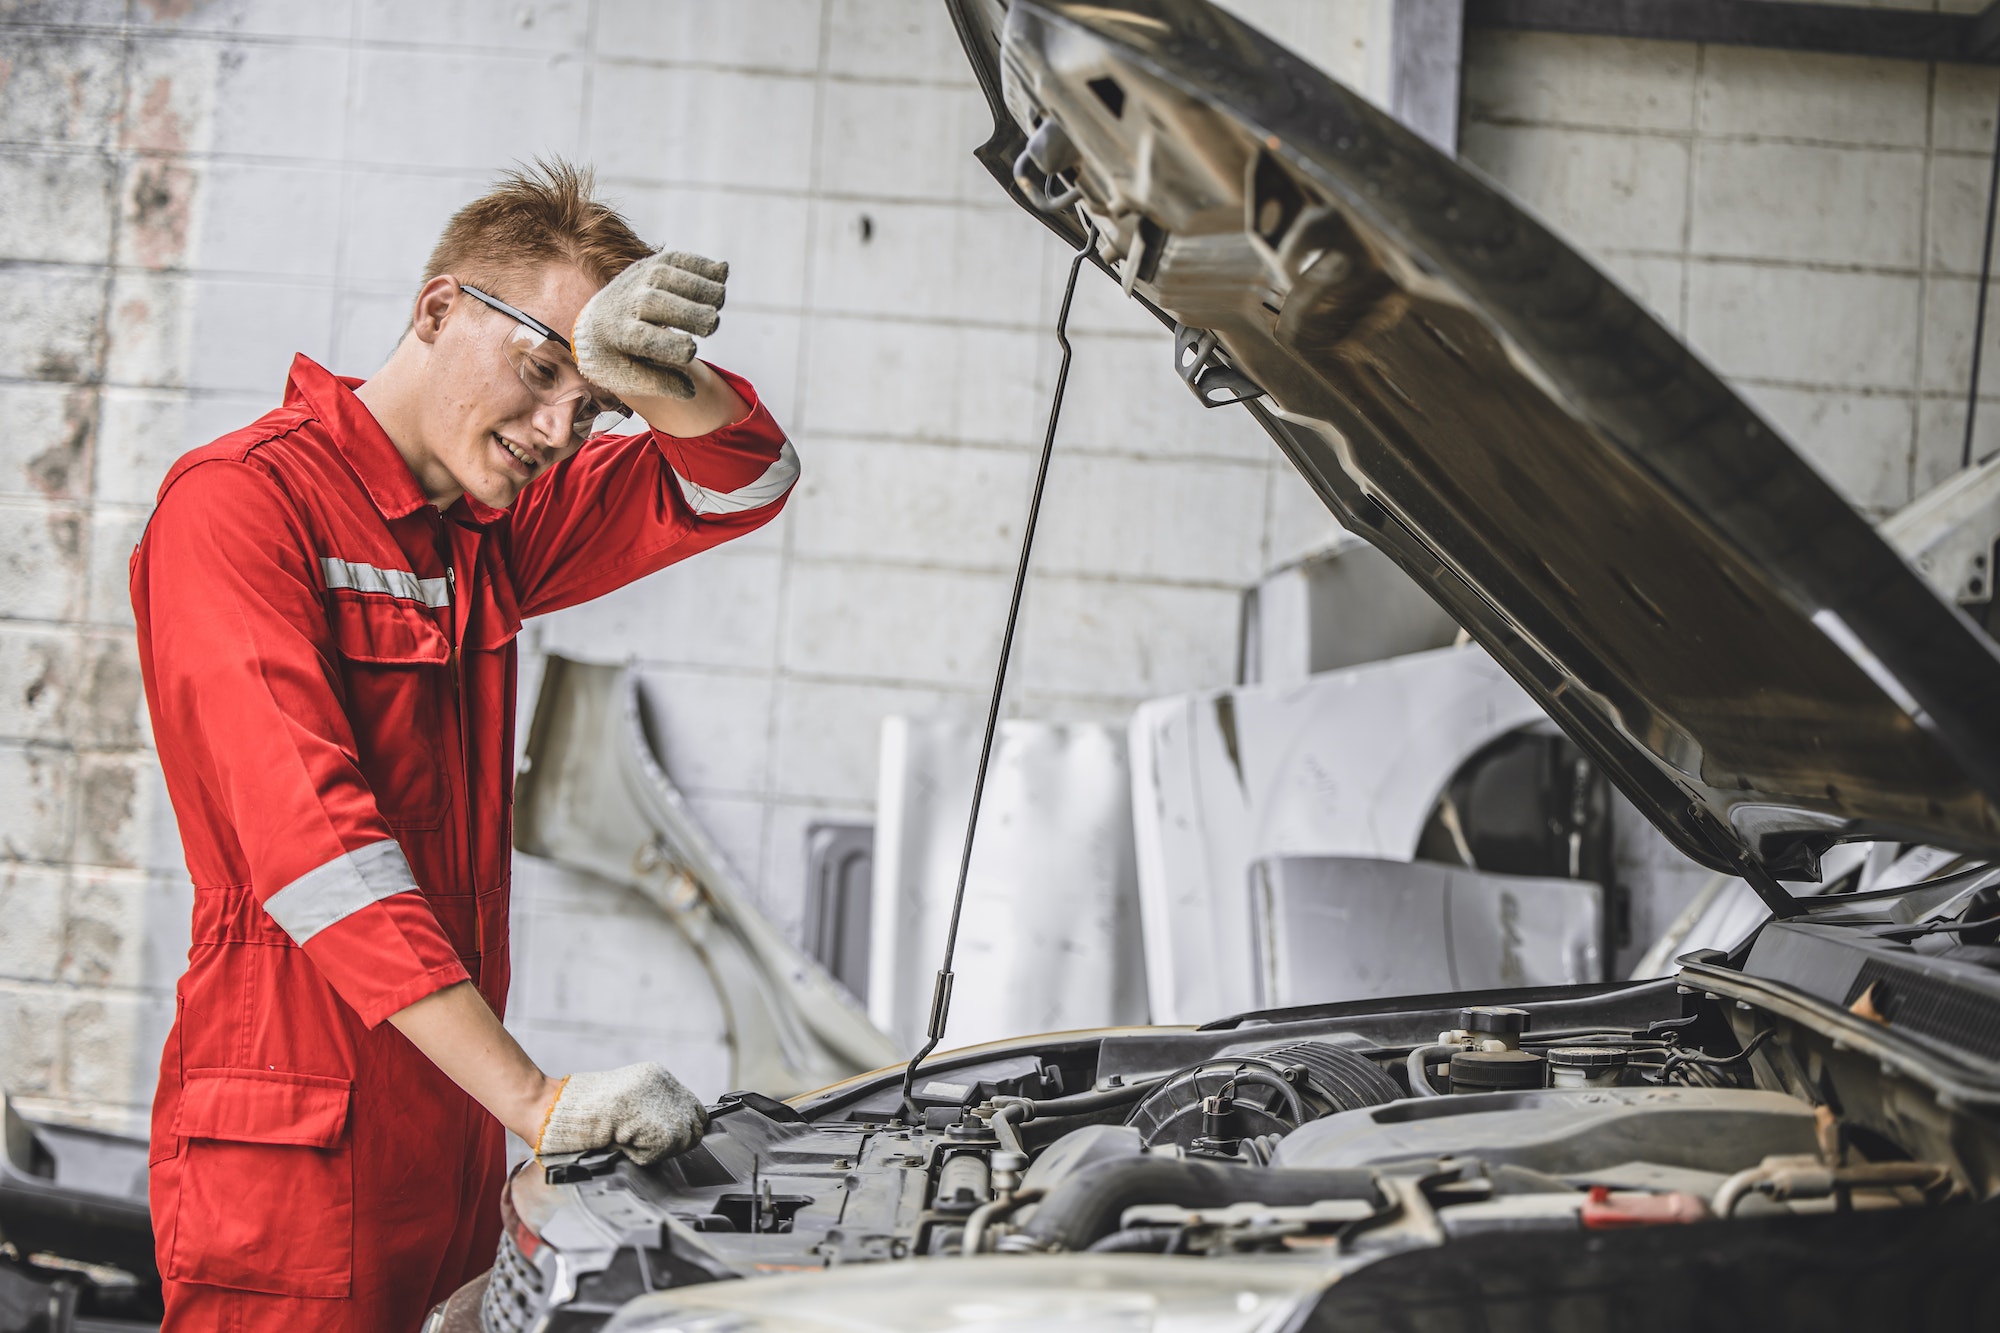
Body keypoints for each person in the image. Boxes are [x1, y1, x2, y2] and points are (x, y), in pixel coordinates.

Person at [129, 159, 797, 1331]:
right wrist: (537, 1098)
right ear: (438, 311)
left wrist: (661, 377)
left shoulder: (483, 532)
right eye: (540, 371)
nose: (557, 429)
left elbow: (745, 481)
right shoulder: (238, 507)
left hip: (445, 1120)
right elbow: (315, 853)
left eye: (587, 404)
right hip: (293, 1134)